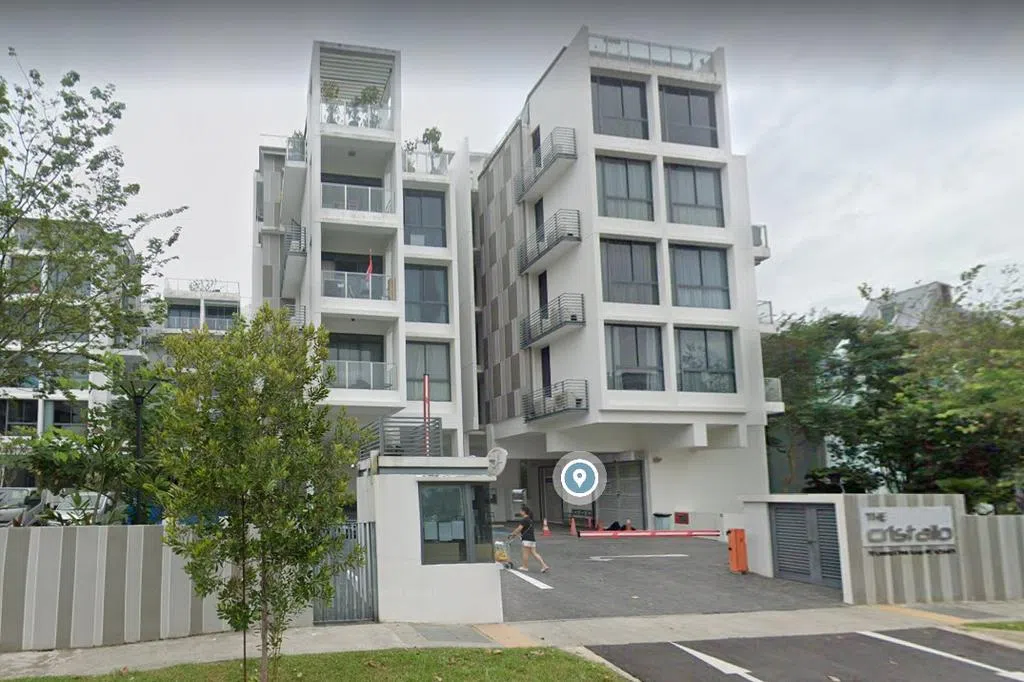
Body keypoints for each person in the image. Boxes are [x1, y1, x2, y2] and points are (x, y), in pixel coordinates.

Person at [509, 505, 550, 573]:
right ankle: (544, 565)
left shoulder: (524, 520)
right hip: (532, 539)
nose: (520, 512)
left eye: (521, 511)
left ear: (524, 512)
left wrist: (512, 534)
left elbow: (519, 529)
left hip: (526, 539)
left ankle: (525, 567)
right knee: (534, 553)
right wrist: (514, 534)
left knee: (525, 553)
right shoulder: (530, 520)